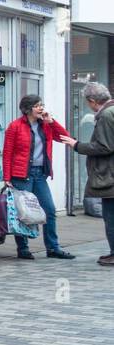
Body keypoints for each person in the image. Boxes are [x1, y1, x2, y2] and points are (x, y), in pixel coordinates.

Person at [2, 95, 74, 260]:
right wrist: (7, 177)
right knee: (23, 213)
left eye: (41, 105)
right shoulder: (15, 126)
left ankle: (53, 248)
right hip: (21, 175)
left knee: (49, 210)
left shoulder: (46, 125)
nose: (41, 108)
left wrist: (52, 122)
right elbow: (7, 153)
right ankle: (23, 249)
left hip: (40, 174)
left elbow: (64, 137)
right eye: (37, 106)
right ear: (28, 109)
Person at [64, 81, 114, 266]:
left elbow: (104, 146)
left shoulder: (106, 115)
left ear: (92, 101)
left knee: (111, 217)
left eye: (88, 103)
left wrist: (76, 145)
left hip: (109, 175)